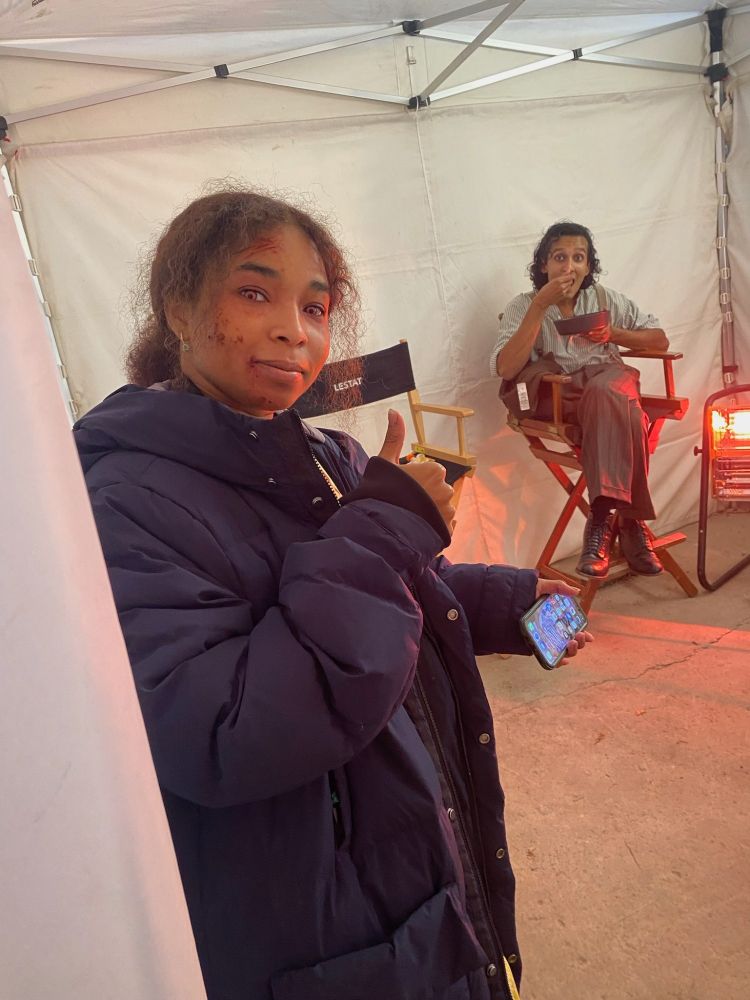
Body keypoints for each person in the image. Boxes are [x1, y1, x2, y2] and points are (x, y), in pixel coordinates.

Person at [74, 188, 592, 1000]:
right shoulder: (122, 500)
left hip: (416, 871)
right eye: (256, 293)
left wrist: (519, 602)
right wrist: (385, 522)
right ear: (177, 306)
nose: (295, 330)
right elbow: (225, 726)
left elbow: (402, 589)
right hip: (315, 923)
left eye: (315, 307)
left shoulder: (327, 454)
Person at [491, 221, 670, 579]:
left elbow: (660, 340)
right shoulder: (523, 306)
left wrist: (614, 333)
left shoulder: (604, 299)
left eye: (578, 257)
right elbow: (506, 367)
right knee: (628, 414)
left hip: (609, 383)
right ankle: (631, 525)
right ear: (543, 264)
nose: (568, 266)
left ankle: (601, 520)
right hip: (567, 395)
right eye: (559, 257)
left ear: (589, 266)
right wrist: (540, 307)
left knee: (611, 392)